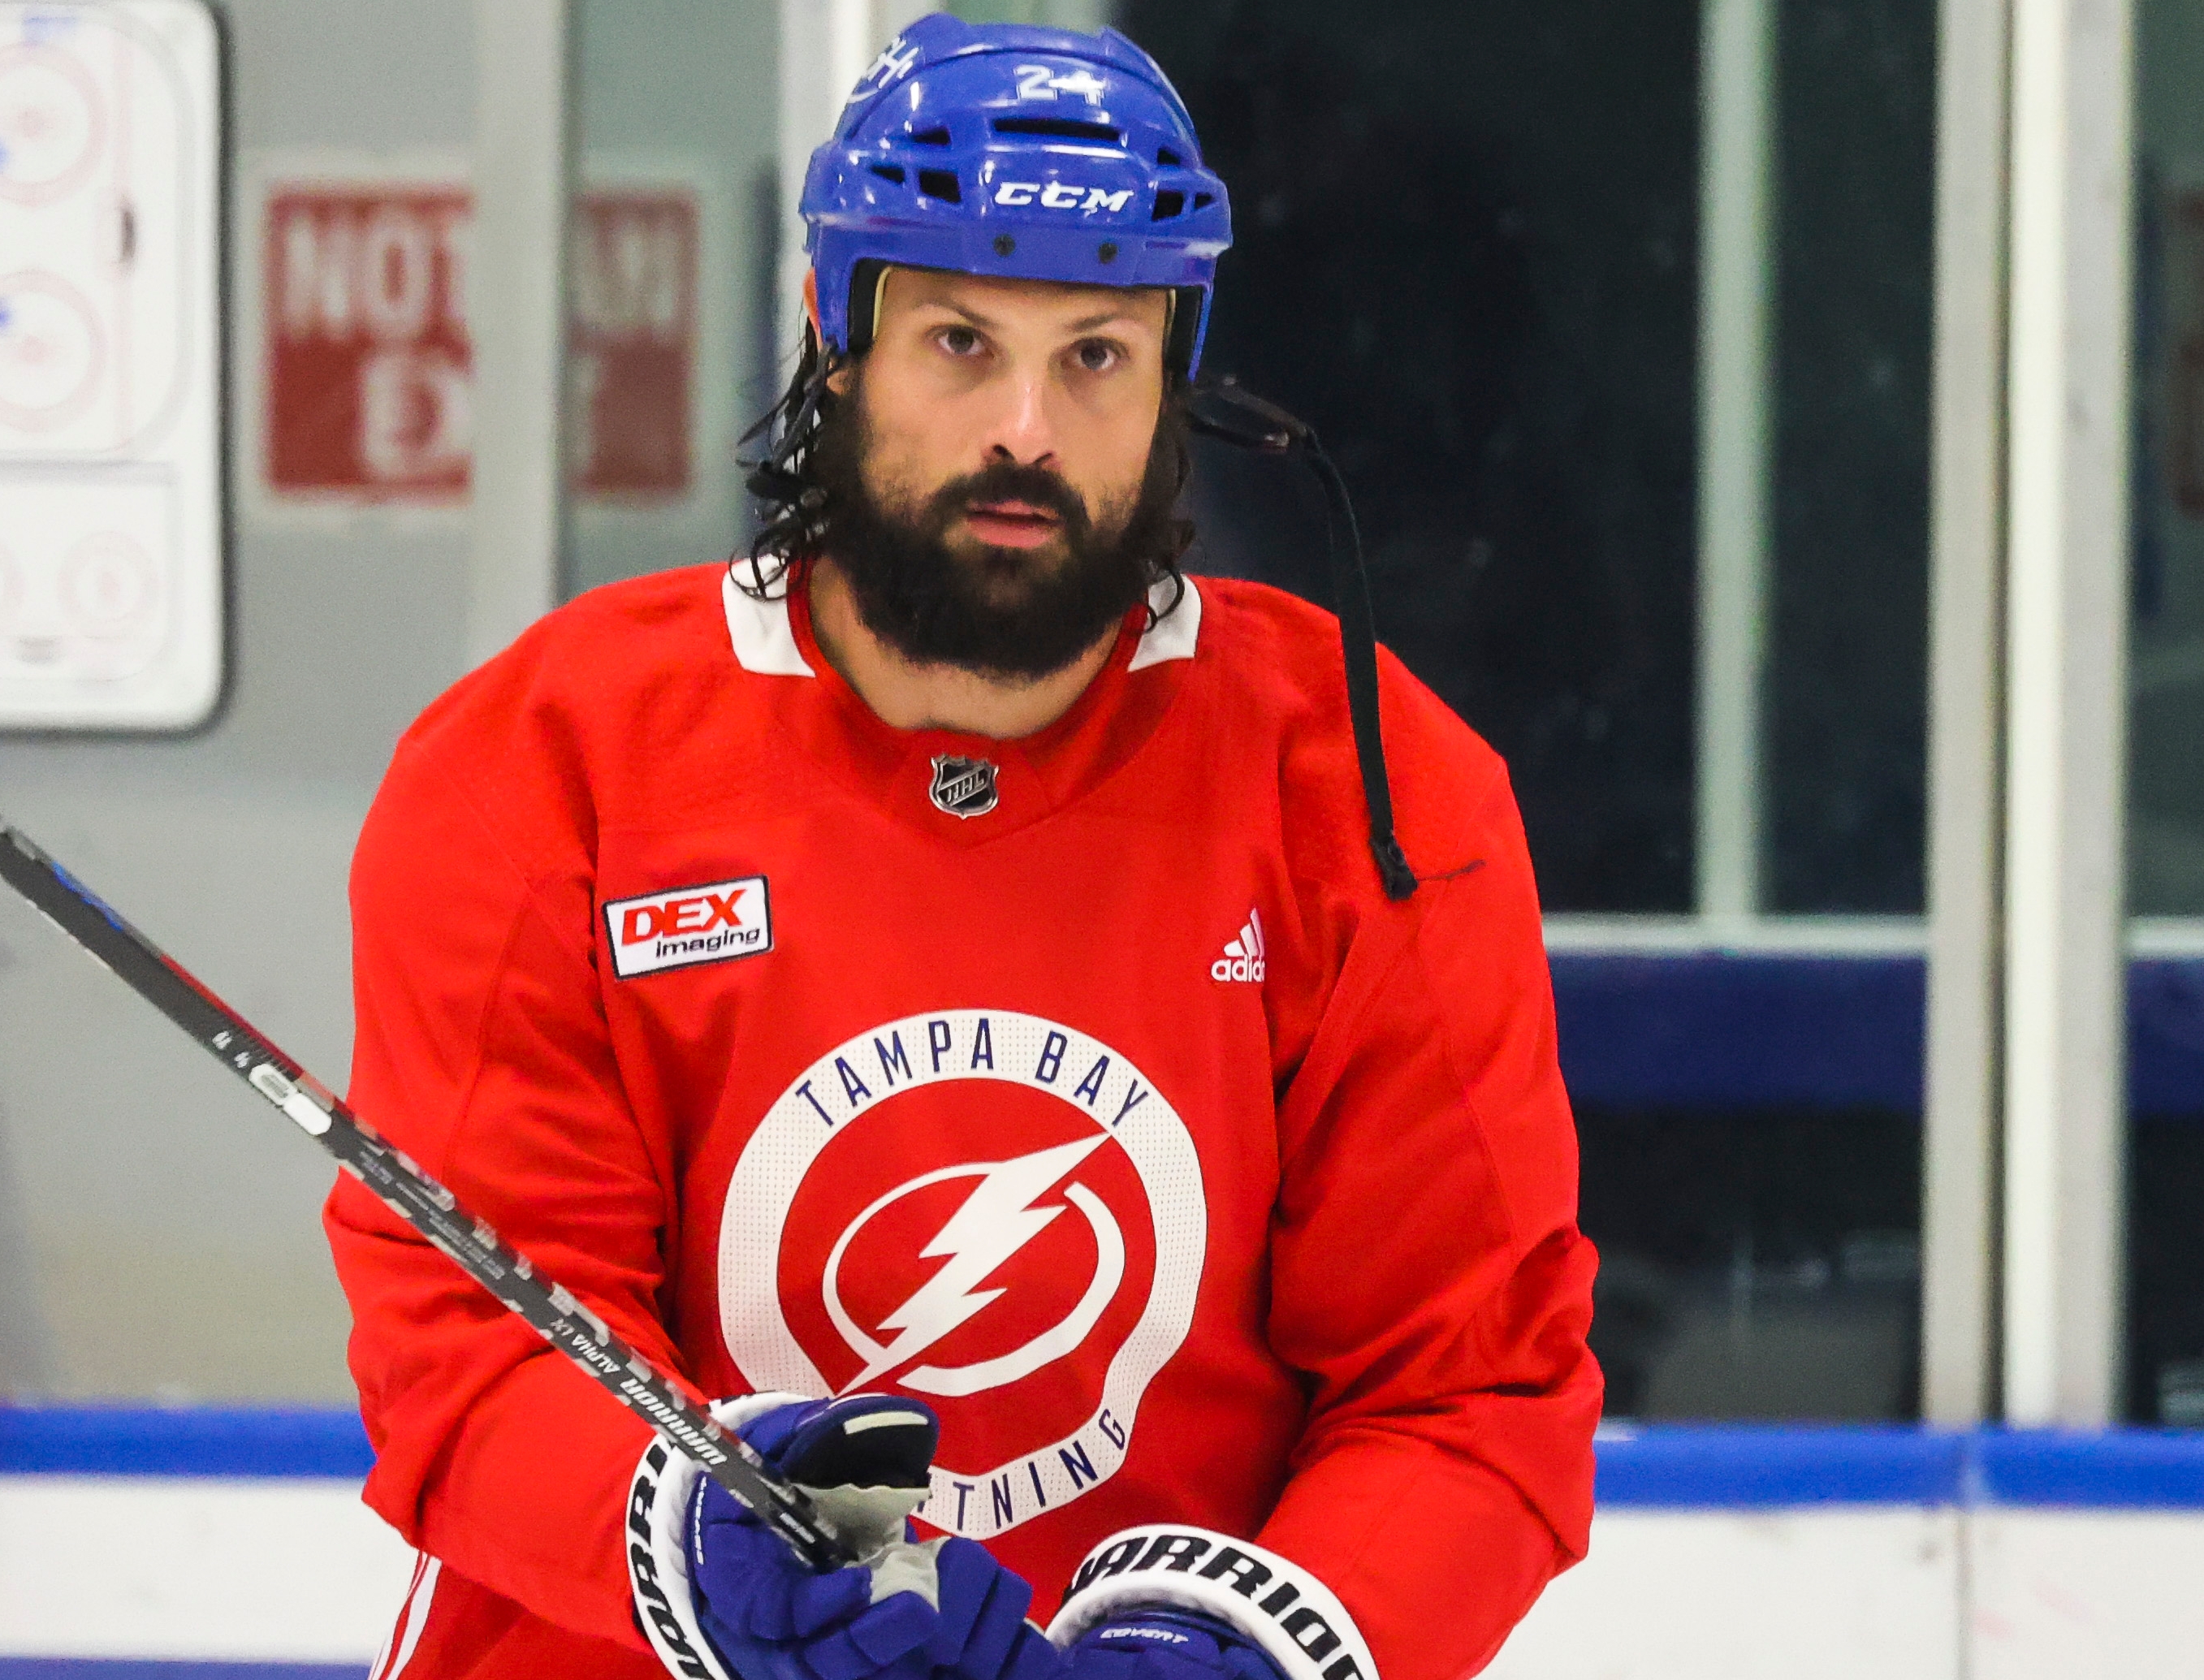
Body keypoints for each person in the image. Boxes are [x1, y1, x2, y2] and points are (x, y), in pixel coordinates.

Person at [324, 18, 1599, 1680]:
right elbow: (476, 1350)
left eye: (1095, 356)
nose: (1026, 430)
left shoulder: (1371, 786)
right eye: (957, 341)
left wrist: (1238, 1654)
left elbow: (1468, 1383)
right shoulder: (541, 768)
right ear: (830, 336)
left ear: (1175, 377)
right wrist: (693, 1538)